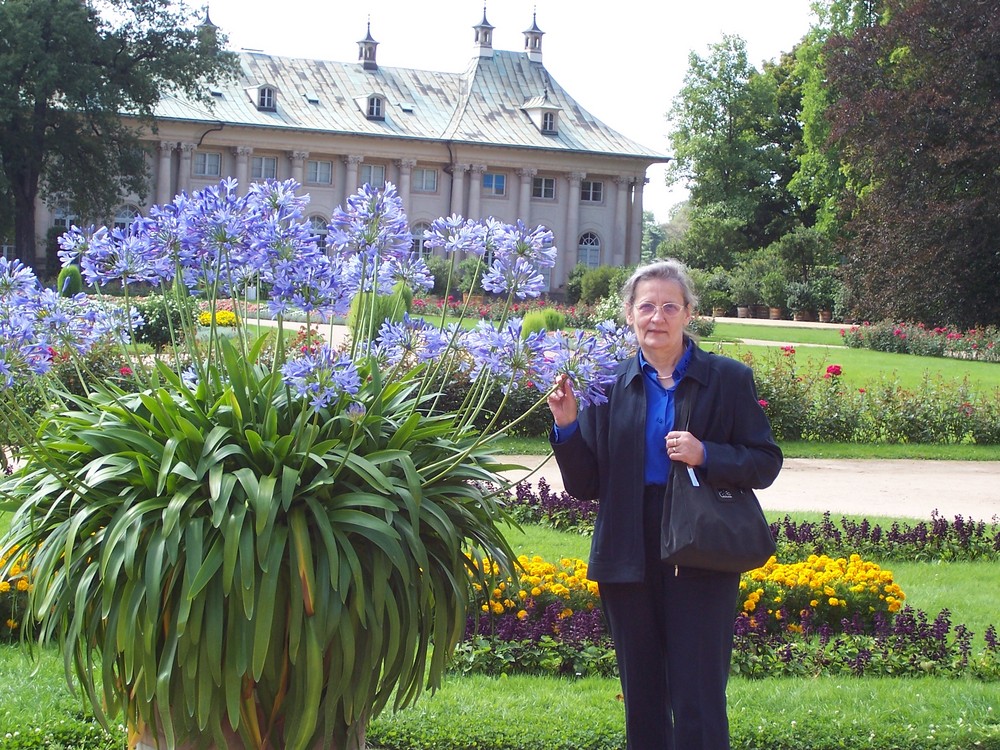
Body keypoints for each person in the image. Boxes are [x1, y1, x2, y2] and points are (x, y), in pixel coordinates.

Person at [547, 259, 782, 750]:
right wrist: (568, 427)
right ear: (629, 314)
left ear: (689, 313)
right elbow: (586, 485)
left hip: (701, 544)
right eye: (647, 306)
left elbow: (765, 462)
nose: (658, 317)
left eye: (669, 306)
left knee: (699, 688)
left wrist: (707, 454)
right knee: (643, 688)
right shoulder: (605, 383)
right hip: (626, 544)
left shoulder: (728, 378)